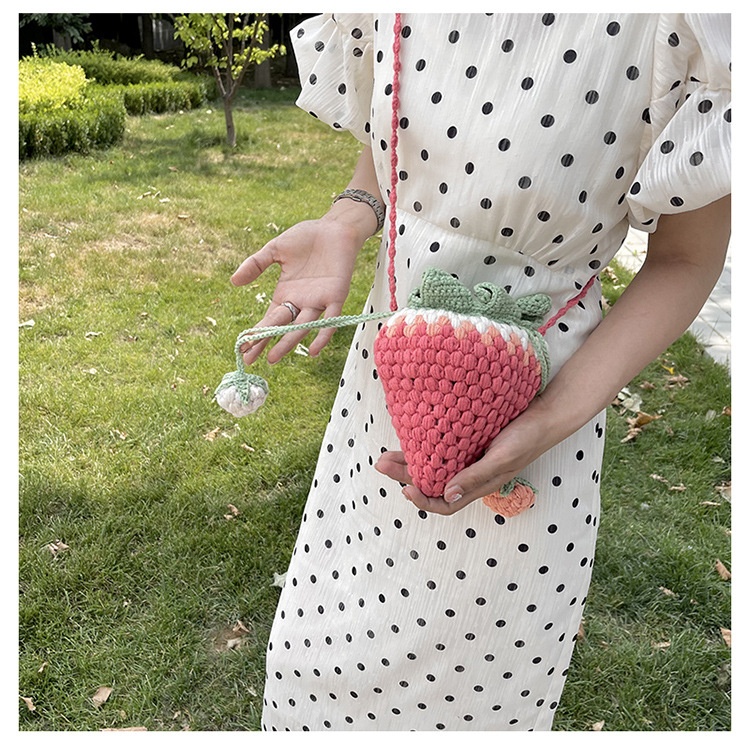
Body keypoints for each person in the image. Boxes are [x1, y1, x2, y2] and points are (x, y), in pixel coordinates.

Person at [230, 13, 730, 731]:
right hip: (383, 394)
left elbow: (686, 259)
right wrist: (348, 218)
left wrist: (546, 424)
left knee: (471, 696)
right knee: (321, 666)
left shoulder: (688, 24)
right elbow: (387, 146)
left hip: (534, 423)